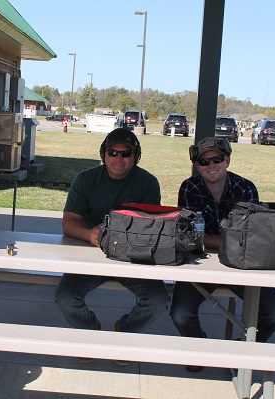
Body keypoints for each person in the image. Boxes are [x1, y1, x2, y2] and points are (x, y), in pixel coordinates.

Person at [169, 136, 275, 372]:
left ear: (228, 160)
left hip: (241, 264)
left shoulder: (246, 187)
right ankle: (198, 348)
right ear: (197, 165)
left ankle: (238, 351)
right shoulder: (189, 187)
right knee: (180, 313)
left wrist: (210, 240)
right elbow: (190, 236)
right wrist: (226, 241)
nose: (211, 165)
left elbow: (250, 238)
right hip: (200, 264)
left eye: (217, 159)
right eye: (204, 161)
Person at [54, 128, 169, 362]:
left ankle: (124, 334)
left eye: (126, 153)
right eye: (112, 152)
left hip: (133, 255)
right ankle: (89, 332)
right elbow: (68, 223)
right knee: (65, 297)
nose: (118, 158)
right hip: (91, 253)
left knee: (158, 300)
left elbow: (150, 225)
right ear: (103, 154)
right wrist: (89, 235)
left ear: (135, 156)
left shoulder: (148, 183)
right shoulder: (85, 180)